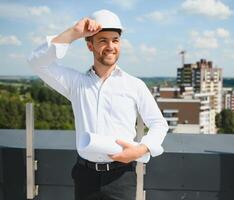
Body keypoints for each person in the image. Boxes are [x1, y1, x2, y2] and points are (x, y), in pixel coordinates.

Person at [27, 9, 168, 200]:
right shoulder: (76, 83)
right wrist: (73, 33)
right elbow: (37, 62)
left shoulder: (135, 85)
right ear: (90, 45)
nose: (110, 46)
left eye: (115, 40)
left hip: (122, 177)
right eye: (102, 40)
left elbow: (159, 124)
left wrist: (141, 149)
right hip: (85, 177)